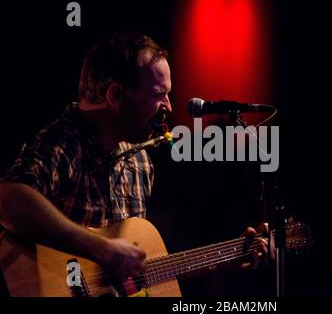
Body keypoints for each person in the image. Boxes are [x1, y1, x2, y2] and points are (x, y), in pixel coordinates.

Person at [0, 32, 271, 286]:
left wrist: (222, 262)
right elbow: (8, 198)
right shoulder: (65, 142)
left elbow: (132, 279)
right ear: (116, 96)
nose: (170, 107)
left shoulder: (139, 161)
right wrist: (102, 249)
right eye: (158, 95)